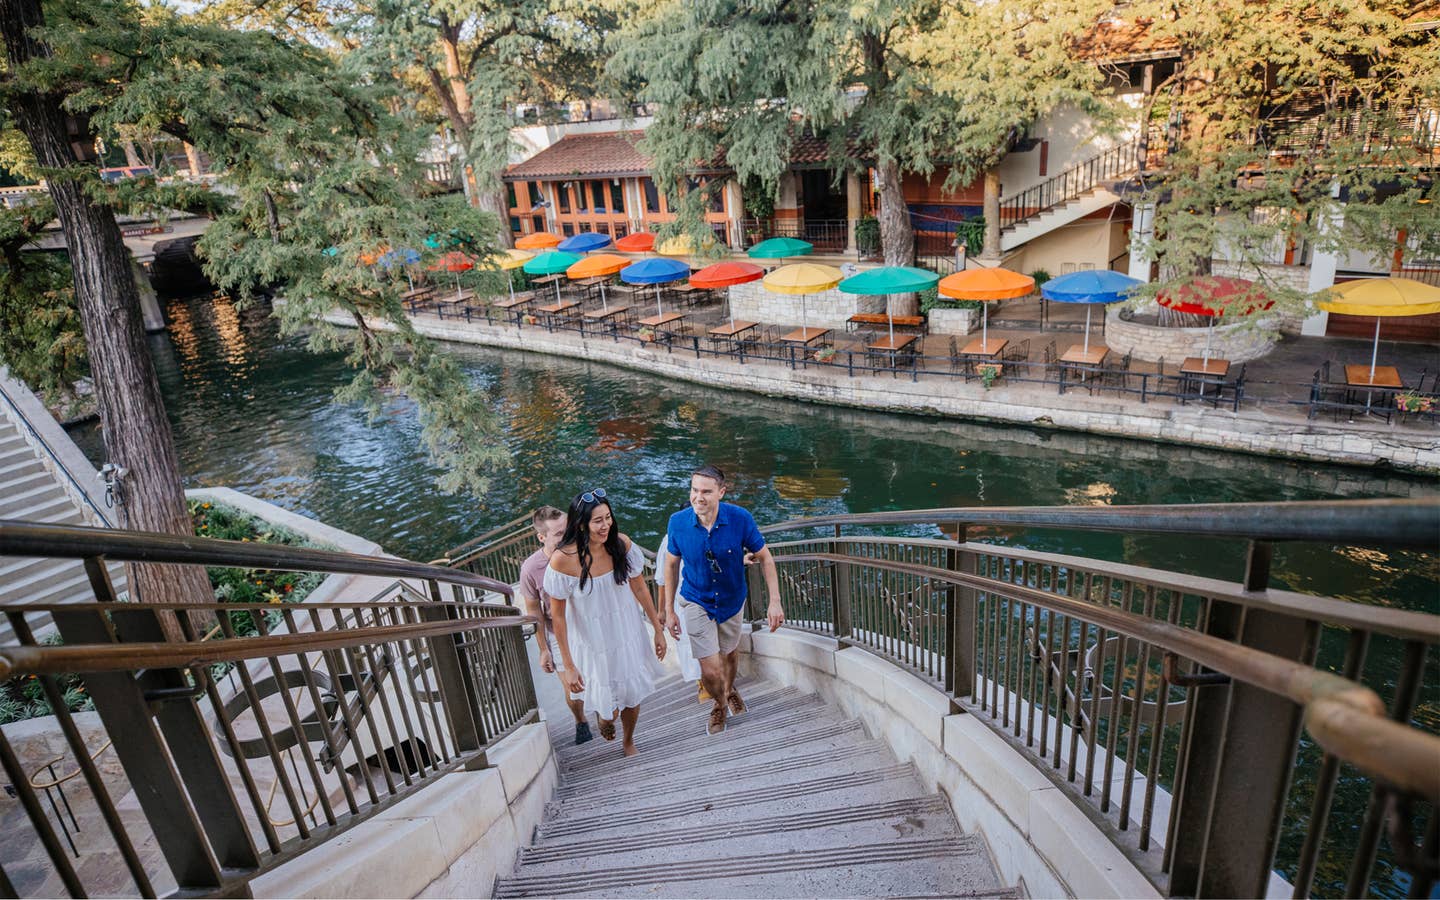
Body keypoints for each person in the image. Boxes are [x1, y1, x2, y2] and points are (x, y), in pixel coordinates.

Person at [545, 489, 668, 757]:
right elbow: (558, 618)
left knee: (632, 695)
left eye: (608, 518)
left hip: (626, 633)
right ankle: (605, 718)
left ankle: (628, 741)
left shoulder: (621, 545)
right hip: (592, 641)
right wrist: (568, 665)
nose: (606, 525)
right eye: (597, 521)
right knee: (609, 708)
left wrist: (658, 630)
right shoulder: (562, 560)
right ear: (580, 525)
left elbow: (640, 589)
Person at [664, 464, 783, 736]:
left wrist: (774, 601)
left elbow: (765, 557)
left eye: (706, 491)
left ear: (721, 492)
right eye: (694, 490)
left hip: (731, 599)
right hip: (695, 599)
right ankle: (718, 704)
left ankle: (730, 690)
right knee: (710, 667)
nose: (698, 497)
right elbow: (671, 565)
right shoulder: (678, 522)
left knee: (729, 654)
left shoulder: (740, 518)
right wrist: (668, 610)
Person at [517, 505, 591, 744]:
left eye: (568, 529)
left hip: (591, 625)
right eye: (559, 534)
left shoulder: (584, 550)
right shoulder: (531, 568)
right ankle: (581, 721)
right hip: (558, 632)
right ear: (542, 537)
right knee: (573, 686)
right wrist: (543, 649)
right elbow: (533, 610)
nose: (567, 536)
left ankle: (608, 714)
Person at [654, 543, 709, 703]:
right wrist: (662, 610)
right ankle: (702, 683)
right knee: (690, 641)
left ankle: (719, 681)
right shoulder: (669, 540)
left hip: (708, 595)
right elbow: (662, 579)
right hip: (683, 598)